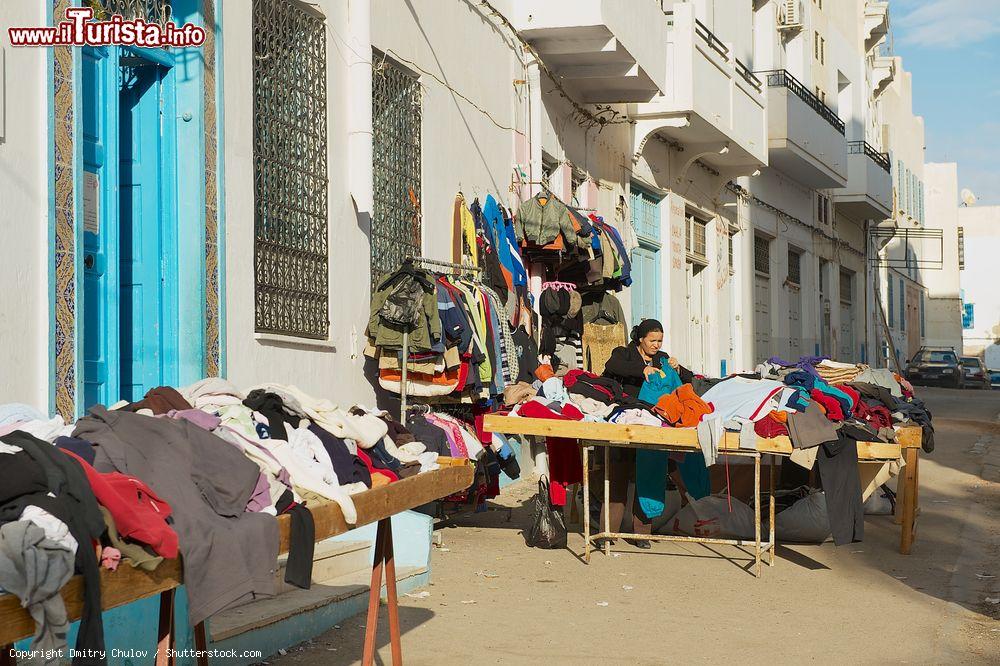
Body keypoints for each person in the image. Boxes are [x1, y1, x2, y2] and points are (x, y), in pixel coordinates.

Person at [596, 319, 692, 549]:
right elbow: (613, 365)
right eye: (652, 340)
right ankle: (607, 534)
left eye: (660, 340)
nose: (657, 345)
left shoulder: (662, 358)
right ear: (640, 338)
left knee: (647, 480)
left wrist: (678, 368)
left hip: (653, 427)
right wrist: (643, 369)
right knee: (617, 479)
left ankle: (640, 534)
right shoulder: (624, 354)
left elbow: (686, 379)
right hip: (625, 424)